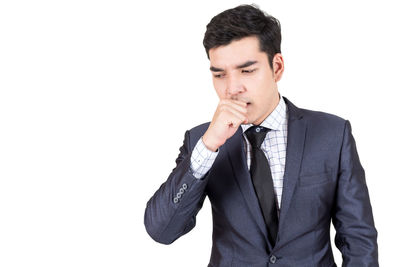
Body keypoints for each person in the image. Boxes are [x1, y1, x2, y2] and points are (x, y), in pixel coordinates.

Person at [144, 4, 378, 266]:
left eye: (247, 71)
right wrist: (208, 146)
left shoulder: (332, 134)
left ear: (277, 67)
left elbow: (358, 240)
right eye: (220, 74)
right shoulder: (201, 141)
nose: (232, 88)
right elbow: (161, 231)